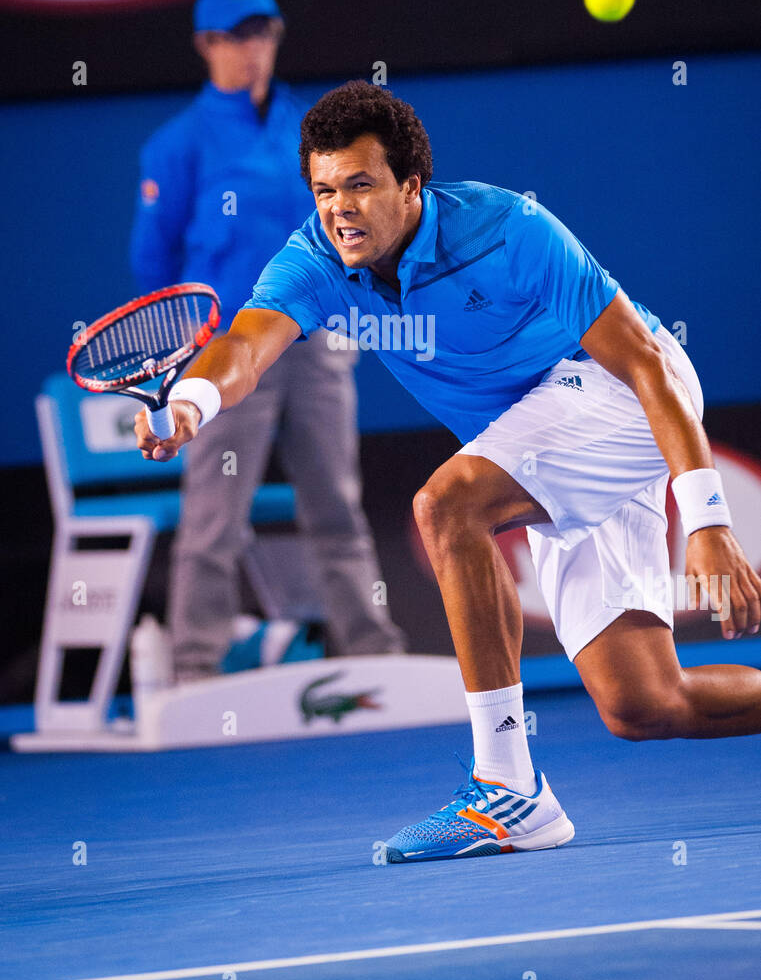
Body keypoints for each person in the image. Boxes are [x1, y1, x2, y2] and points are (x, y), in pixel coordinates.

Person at [134, 80, 761, 861]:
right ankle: (521, 788)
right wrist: (192, 402)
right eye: (325, 190)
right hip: (539, 439)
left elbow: (642, 364)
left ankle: (506, 786)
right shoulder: (316, 261)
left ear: (410, 186)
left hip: (618, 393)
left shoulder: (507, 228)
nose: (340, 208)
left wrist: (704, 520)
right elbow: (246, 344)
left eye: (360, 185)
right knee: (644, 704)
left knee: (448, 506)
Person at [130, 0, 405, 680]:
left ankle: (375, 660)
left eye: (261, 32)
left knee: (337, 505)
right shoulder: (177, 145)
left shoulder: (311, 132)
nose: (250, 49)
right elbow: (153, 261)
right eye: (234, 35)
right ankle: (195, 671)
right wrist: (186, 343)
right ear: (206, 46)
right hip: (225, 353)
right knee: (214, 519)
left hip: (316, 346)